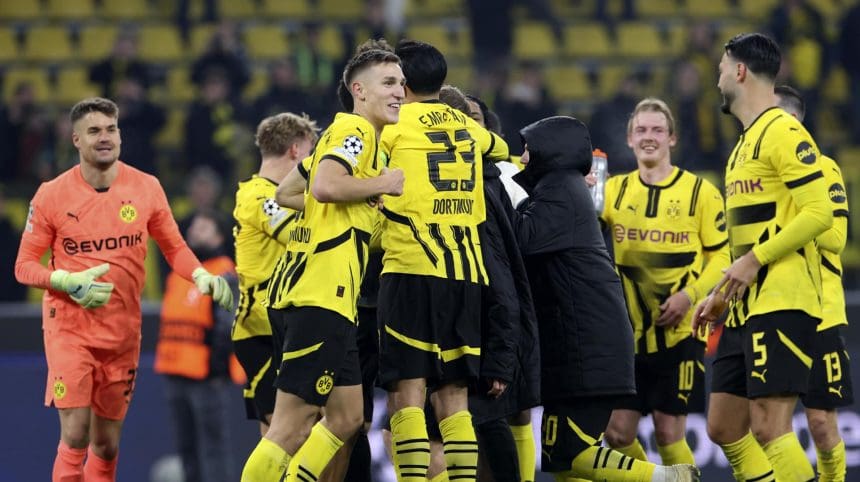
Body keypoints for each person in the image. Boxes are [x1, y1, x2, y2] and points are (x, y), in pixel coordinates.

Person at [14, 97, 233, 482]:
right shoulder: (51, 195)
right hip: (69, 327)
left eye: (111, 129)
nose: (105, 137)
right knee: (76, 432)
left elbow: (174, 247)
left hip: (122, 331)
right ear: (76, 139)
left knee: (107, 444)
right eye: (95, 131)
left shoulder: (146, 187)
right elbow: (24, 266)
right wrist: (64, 281)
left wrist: (200, 276)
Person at [240, 40, 405, 481]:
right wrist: (382, 183)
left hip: (329, 298)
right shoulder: (356, 132)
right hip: (318, 295)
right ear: (359, 89)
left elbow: (287, 192)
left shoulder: (345, 138)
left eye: (403, 84)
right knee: (289, 428)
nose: (400, 93)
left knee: (348, 417)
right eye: (388, 82)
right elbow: (326, 186)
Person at [510, 115, 700, 481]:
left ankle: (664, 478)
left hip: (588, 348)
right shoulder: (560, 188)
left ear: (553, 151)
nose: (522, 159)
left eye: (528, 150)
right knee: (560, 458)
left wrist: (491, 185)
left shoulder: (562, 190)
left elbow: (521, 237)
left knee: (571, 453)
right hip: (577, 346)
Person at [692, 33, 833, 482]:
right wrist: (721, 293)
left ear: (739, 71)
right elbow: (744, 241)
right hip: (743, 305)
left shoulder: (784, 130)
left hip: (782, 298)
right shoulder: (743, 145)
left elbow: (820, 212)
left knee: (771, 425)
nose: (716, 79)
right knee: (723, 426)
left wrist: (755, 261)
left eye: (720, 69)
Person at [376, 39, 509, 482]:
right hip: (467, 274)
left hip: (413, 267)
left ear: (405, 82)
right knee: (454, 399)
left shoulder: (391, 127)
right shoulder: (469, 127)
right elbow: (503, 150)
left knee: (407, 395)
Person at [601, 98, 730, 466]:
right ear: (629, 139)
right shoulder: (613, 192)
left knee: (668, 431)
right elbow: (586, 236)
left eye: (657, 130)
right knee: (617, 433)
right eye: (641, 130)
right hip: (630, 338)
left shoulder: (701, 192)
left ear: (672, 139)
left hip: (682, 335)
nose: (649, 137)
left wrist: (689, 297)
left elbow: (722, 257)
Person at [775, 84, 853, 482]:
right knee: (770, 421)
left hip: (820, 310)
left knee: (820, 421)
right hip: (772, 308)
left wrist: (794, 225)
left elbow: (837, 238)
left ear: (793, 122)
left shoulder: (823, 168)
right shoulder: (756, 173)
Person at [232, 112, 318, 436]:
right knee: (282, 434)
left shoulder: (275, 194)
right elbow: (298, 234)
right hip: (261, 330)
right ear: (295, 151)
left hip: (284, 324)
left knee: (296, 432)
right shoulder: (257, 194)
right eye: (309, 153)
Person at [154, 210, 239, 482]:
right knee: (186, 449)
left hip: (205, 378)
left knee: (213, 450)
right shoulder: (180, 272)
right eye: (194, 227)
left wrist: (217, 370)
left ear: (219, 236)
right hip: (175, 371)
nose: (195, 232)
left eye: (204, 228)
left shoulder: (224, 273)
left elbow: (227, 325)